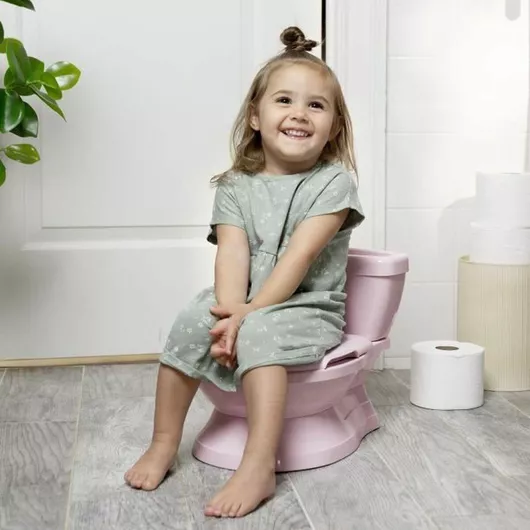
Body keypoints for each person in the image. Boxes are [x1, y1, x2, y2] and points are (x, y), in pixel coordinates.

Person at [124, 26, 365, 518]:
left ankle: (258, 465)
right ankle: (164, 441)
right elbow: (231, 254)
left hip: (309, 307)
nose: (299, 113)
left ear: (335, 127)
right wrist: (230, 312)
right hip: (248, 302)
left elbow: (298, 258)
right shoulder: (235, 185)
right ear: (256, 116)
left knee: (260, 330)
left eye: (317, 105)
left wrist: (248, 316)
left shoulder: (334, 183)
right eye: (284, 100)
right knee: (192, 320)